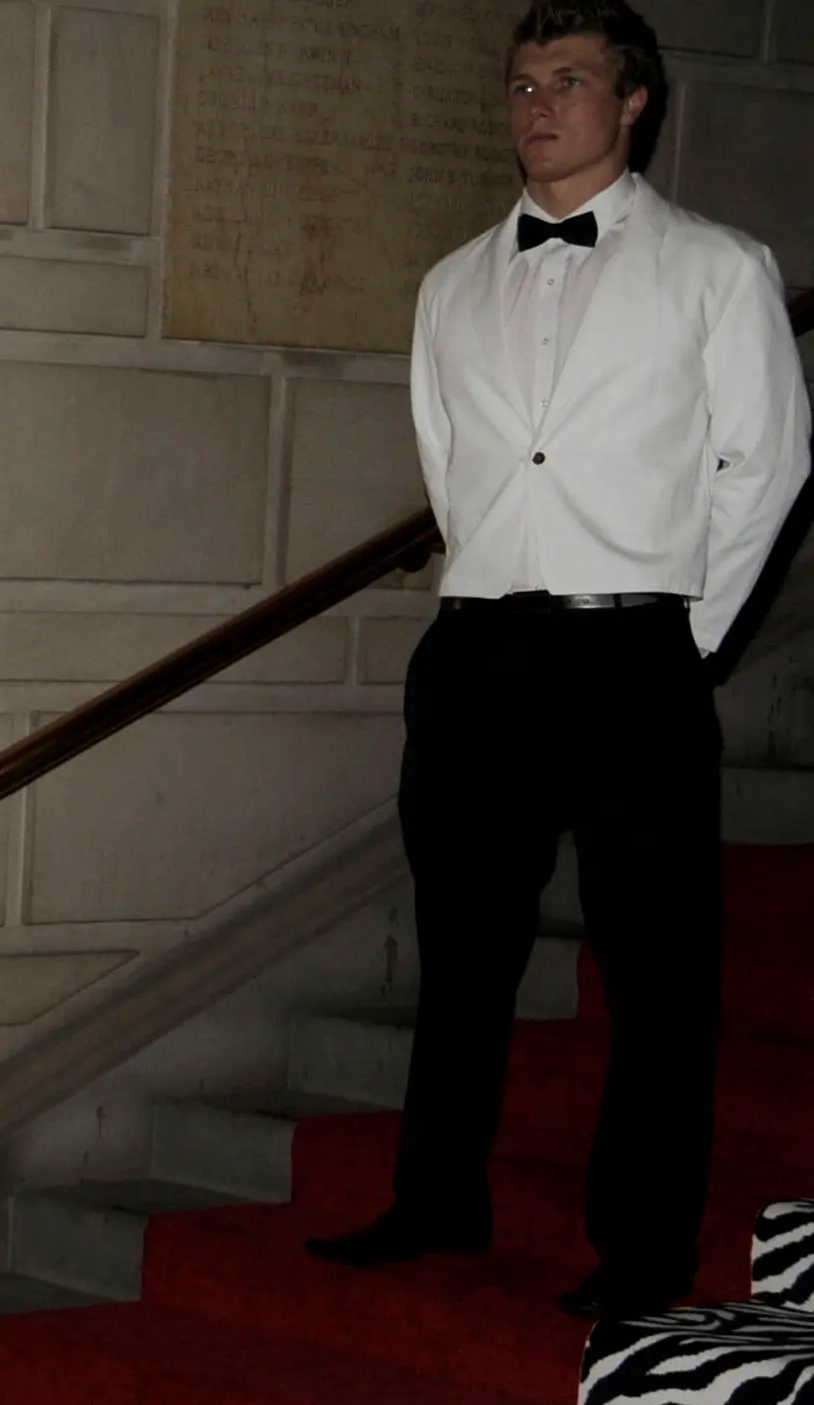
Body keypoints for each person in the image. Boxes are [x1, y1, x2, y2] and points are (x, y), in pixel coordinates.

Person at [308, 0, 808, 1318]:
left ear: (633, 101)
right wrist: (502, 599)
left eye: (570, 81)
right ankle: (437, 1196)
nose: (539, 104)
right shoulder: (450, 281)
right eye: (524, 81)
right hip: (480, 654)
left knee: (656, 966)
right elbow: (451, 460)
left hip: (635, 646)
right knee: (462, 946)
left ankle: (642, 1247)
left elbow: (768, 465)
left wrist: (678, 635)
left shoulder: (718, 265)